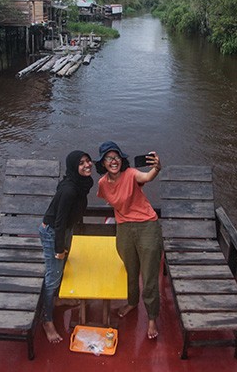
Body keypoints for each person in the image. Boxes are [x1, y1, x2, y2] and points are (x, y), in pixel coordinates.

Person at [95, 141, 162, 339]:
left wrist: (156, 168)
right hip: (124, 228)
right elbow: (110, 200)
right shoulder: (102, 184)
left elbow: (147, 177)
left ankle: (152, 318)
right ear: (103, 163)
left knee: (149, 276)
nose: (113, 161)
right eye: (108, 158)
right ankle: (132, 302)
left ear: (121, 159)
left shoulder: (131, 174)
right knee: (130, 271)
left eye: (116, 157)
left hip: (146, 225)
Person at [39, 150, 94, 343]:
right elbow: (60, 221)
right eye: (81, 163)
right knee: (52, 276)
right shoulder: (70, 190)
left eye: (88, 161)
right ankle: (46, 320)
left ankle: (57, 299)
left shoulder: (82, 182)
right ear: (73, 167)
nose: (87, 165)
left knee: (61, 268)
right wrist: (58, 249)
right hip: (53, 232)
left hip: (65, 229)